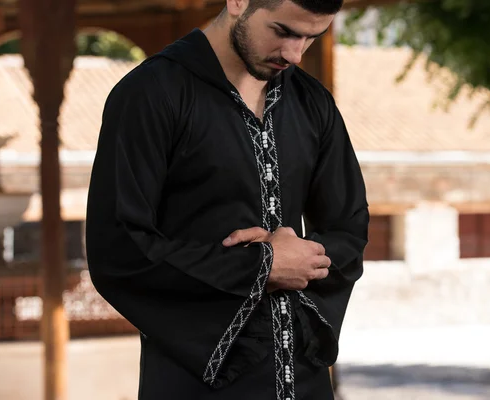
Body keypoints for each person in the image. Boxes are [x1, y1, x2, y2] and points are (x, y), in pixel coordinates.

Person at [84, 0, 369, 397]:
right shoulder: (151, 93)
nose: (294, 53)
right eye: (283, 31)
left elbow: (348, 227)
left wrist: (301, 260)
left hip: (304, 380)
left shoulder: (312, 102)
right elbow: (119, 249)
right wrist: (260, 266)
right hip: (201, 378)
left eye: (310, 38)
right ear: (238, 2)